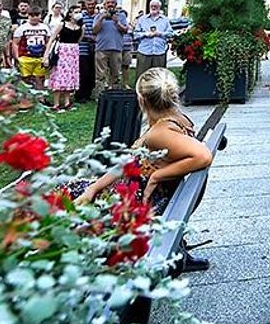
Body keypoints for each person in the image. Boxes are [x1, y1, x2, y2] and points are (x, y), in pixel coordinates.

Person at [78, 66, 213, 267]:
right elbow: (129, 164)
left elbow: (203, 155)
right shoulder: (174, 119)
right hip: (134, 192)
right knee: (77, 190)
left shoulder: (159, 133)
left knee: (62, 199)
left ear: (142, 100)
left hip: (138, 201)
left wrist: (158, 176)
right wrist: (94, 188)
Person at [46, 6, 83, 110]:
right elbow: (52, 39)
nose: (78, 14)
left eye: (79, 12)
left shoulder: (80, 27)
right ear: (70, 13)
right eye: (76, 12)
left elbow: (79, 39)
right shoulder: (62, 24)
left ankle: (67, 102)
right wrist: (46, 54)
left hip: (73, 53)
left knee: (70, 76)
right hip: (62, 52)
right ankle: (56, 103)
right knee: (59, 75)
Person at [93, 0, 129, 94]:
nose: (110, 5)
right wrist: (101, 18)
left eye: (112, 2)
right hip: (101, 48)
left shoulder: (121, 16)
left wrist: (117, 22)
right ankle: (100, 94)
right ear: (104, 5)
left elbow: (125, 30)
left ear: (116, 4)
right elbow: (95, 30)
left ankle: (114, 93)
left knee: (116, 73)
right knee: (100, 74)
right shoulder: (98, 16)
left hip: (116, 48)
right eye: (108, 3)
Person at [12, 6, 52, 89]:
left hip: (40, 57)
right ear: (28, 16)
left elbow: (48, 42)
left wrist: (47, 55)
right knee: (25, 79)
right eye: (32, 15)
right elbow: (15, 43)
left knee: (40, 78)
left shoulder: (45, 27)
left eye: (37, 15)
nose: (34, 18)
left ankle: (41, 98)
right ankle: (24, 99)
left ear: (41, 16)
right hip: (25, 57)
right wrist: (17, 57)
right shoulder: (22, 28)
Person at [133, 0, 173, 74]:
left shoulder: (165, 20)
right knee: (143, 75)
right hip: (144, 52)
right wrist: (145, 34)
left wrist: (160, 33)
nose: (153, 8)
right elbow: (135, 34)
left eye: (155, 6)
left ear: (159, 8)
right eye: (152, 6)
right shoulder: (142, 19)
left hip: (159, 52)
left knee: (159, 76)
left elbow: (171, 33)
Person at [76, 0, 100, 102]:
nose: (90, 6)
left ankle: (89, 93)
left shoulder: (98, 17)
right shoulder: (80, 17)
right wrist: (88, 37)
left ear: (95, 5)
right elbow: (76, 31)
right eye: (88, 4)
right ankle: (81, 95)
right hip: (83, 48)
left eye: (92, 4)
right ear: (85, 5)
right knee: (83, 72)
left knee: (92, 72)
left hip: (96, 47)